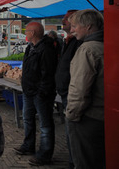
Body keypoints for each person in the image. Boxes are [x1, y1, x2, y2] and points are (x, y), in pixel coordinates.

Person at [13, 22, 58, 166]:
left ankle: (44, 155)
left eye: (27, 31)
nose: (25, 33)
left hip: (40, 94)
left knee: (45, 125)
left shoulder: (46, 49)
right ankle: (28, 146)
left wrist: (41, 93)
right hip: (29, 91)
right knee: (28, 119)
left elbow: (48, 74)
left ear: (32, 33)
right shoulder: (30, 47)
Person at [66, 9, 105, 169]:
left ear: (88, 27)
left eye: (74, 26)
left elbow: (79, 90)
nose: (72, 30)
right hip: (102, 116)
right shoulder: (106, 45)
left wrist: (71, 115)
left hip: (87, 118)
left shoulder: (87, 50)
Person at [54, 10, 81, 168]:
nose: (62, 20)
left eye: (66, 19)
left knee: (75, 133)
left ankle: (75, 163)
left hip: (73, 95)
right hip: (66, 93)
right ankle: (73, 161)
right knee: (70, 132)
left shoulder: (80, 43)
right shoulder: (69, 41)